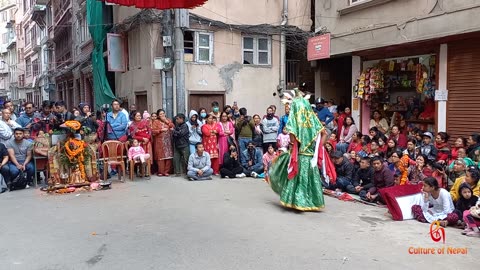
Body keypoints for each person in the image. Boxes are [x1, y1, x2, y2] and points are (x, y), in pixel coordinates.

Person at [269, 91, 327, 211]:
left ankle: (298, 202)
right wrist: (318, 148)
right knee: (311, 179)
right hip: (311, 156)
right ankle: (312, 202)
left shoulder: (294, 119)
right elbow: (324, 133)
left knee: (298, 177)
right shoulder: (313, 119)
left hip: (300, 155)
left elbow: (292, 137)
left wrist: (292, 145)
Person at [152, 109, 174, 176]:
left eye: (163, 113)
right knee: (160, 156)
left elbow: (172, 126)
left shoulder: (168, 120)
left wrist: (166, 122)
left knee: (168, 156)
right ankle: (161, 171)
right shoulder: (156, 122)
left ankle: (166, 171)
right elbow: (153, 131)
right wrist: (161, 130)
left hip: (168, 141)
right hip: (159, 141)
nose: (162, 115)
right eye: (160, 114)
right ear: (158, 115)